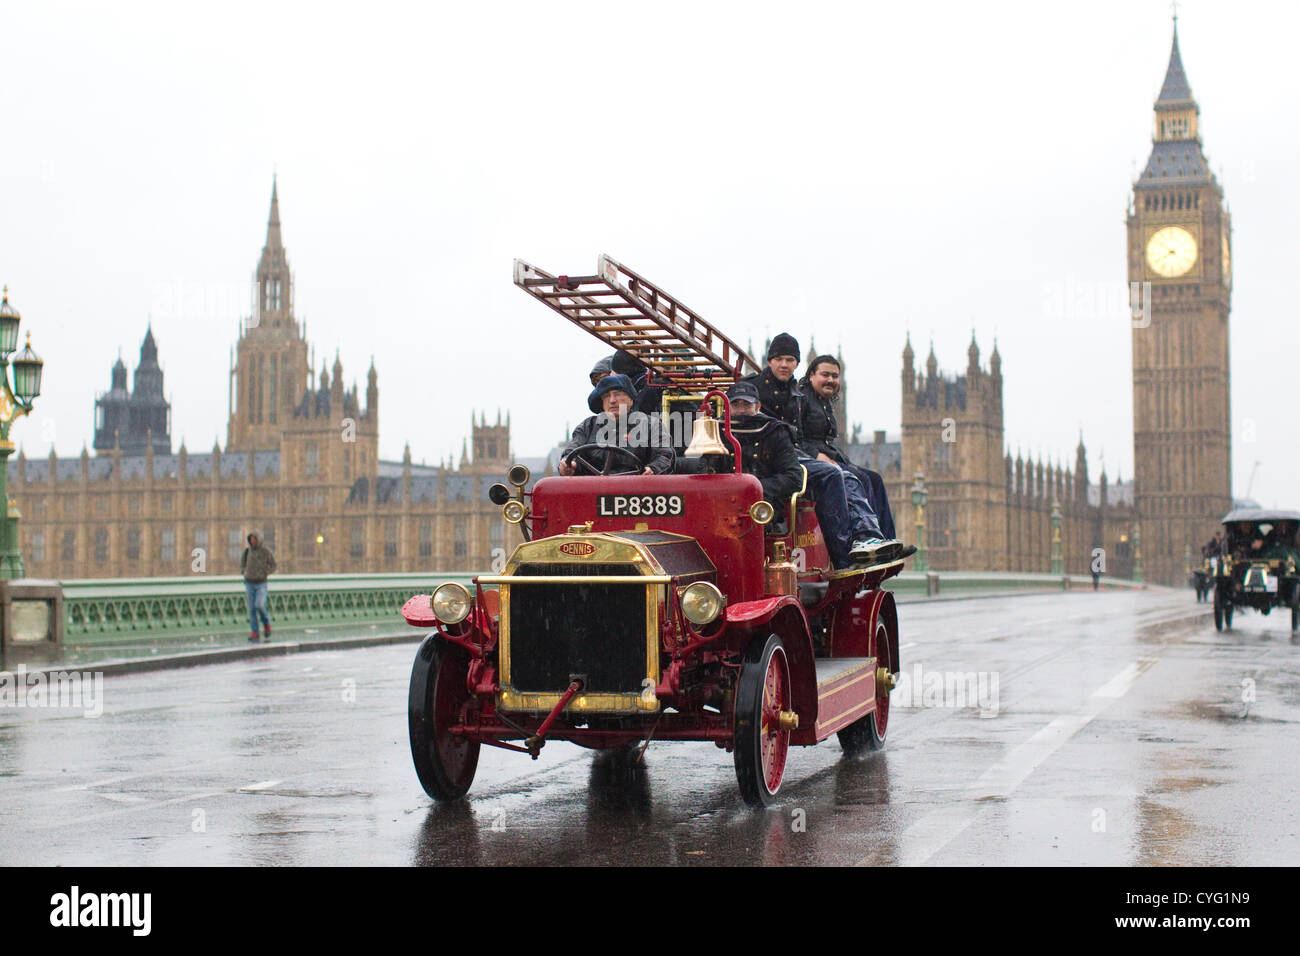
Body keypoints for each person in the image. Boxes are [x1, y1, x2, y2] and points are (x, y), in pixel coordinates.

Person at [746, 334, 900, 563]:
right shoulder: (753, 387)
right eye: (779, 359)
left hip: (792, 455)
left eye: (790, 360)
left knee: (863, 478)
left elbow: (797, 435)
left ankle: (875, 540)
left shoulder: (795, 393)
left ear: (797, 364)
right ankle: (844, 554)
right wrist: (816, 456)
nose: (785, 364)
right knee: (836, 475)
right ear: (770, 361)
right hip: (770, 459)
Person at [725, 381, 889, 570]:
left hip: (764, 503)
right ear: (727, 407)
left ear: (758, 407)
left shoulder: (774, 431)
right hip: (727, 504)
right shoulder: (717, 432)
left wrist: (754, 487)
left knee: (847, 476)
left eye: (746, 405)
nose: (741, 410)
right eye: (736, 405)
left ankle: (853, 551)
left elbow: (792, 477)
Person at [798, 353, 903, 543]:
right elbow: (792, 435)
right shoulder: (801, 399)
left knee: (875, 479)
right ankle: (864, 536)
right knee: (859, 479)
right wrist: (815, 454)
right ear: (811, 375)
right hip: (814, 461)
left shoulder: (823, 401)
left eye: (835, 376)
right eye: (825, 374)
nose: (830, 380)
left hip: (831, 457)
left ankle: (887, 540)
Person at [560, 373, 674, 476]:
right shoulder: (587, 427)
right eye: (606, 396)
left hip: (638, 491)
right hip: (594, 490)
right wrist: (568, 464)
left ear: (631, 399)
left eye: (618, 394)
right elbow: (572, 451)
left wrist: (653, 469)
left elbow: (664, 455)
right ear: (602, 403)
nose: (612, 400)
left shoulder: (651, 425)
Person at [242, 530, 276, 642]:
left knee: (260, 605)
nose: (252, 541)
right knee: (251, 609)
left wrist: (265, 572)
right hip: (249, 583)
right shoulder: (247, 552)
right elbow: (243, 564)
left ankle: (266, 624)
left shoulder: (266, 552)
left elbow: (273, 565)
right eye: (251, 539)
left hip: (261, 583)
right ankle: (255, 632)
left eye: (254, 539)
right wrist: (245, 572)